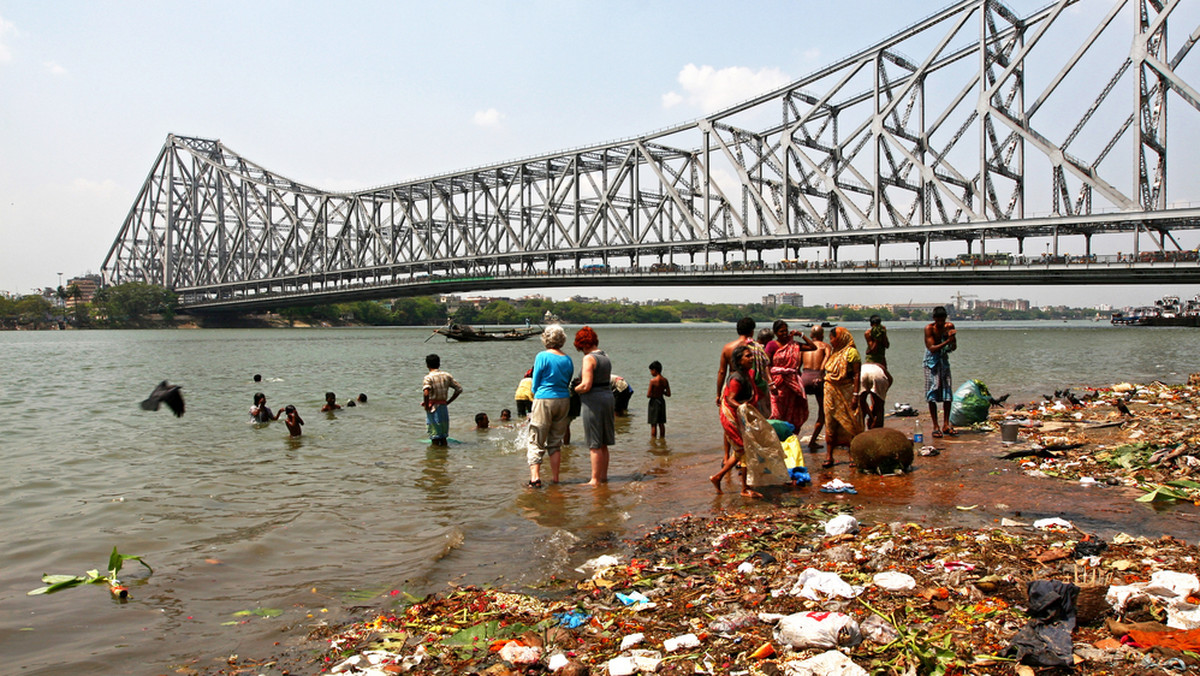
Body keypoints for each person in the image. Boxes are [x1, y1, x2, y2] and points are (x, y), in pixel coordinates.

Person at [716, 317, 772, 462]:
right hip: (750, 389)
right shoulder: (757, 348)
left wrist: (718, 394)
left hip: (731, 387)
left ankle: (727, 455)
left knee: (730, 423)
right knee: (750, 424)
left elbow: (722, 372)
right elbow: (764, 368)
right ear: (752, 331)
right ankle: (747, 456)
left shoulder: (728, 348)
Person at [710, 345, 761, 498]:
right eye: (747, 356)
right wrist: (744, 408)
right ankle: (744, 488)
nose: (751, 358)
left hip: (739, 415)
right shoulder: (736, 378)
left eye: (751, 356)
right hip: (731, 416)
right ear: (739, 360)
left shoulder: (747, 374)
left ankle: (718, 477)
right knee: (743, 450)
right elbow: (730, 399)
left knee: (741, 451)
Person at [526, 325, 573, 487]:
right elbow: (567, 380)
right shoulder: (567, 359)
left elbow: (536, 379)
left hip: (544, 398)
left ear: (546, 339)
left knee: (536, 439)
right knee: (555, 442)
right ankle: (555, 478)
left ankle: (535, 478)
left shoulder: (542, 356)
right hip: (563, 399)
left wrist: (534, 394)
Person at [573, 326, 615, 486]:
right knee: (604, 442)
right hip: (608, 397)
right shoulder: (605, 356)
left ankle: (594, 480)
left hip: (594, 400)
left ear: (582, 344)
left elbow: (586, 385)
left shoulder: (588, 358)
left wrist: (573, 390)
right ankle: (603, 477)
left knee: (594, 443)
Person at [822, 326, 864, 467]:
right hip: (830, 391)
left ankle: (852, 455)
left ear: (840, 338)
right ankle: (829, 456)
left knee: (851, 423)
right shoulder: (834, 353)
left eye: (832, 338)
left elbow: (857, 375)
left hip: (846, 389)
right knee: (830, 422)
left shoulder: (852, 353)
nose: (831, 341)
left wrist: (855, 395)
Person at [768, 320, 816, 434]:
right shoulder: (772, 345)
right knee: (776, 413)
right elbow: (766, 364)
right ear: (775, 333)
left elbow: (812, 347)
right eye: (781, 331)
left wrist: (801, 335)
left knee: (792, 411)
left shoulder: (794, 345)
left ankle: (789, 436)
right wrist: (770, 383)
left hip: (792, 383)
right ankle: (775, 437)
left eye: (786, 331)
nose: (784, 334)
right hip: (777, 383)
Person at [924, 306, 958, 437]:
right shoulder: (929, 328)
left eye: (943, 320)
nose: (941, 323)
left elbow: (953, 347)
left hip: (943, 361)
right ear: (934, 319)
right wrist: (947, 341)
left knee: (947, 392)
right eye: (938, 320)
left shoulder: (949, 326)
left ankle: (946, 424)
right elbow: (931, 348)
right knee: (932, 392)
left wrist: (952, 339)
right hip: (931, 362)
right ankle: (935, 426)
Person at [800, 325, 832, 451]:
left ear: (811, 335)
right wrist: (821, 373)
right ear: (822, 335)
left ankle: (793, 438)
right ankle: (812, 441)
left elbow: (797, 366)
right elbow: (827, 359)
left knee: (798, 411)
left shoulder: (804, 347)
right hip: (818, 378)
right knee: (822, 411)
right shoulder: (825, 346)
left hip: (805, 377)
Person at [422, 354, 463, 446]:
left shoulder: (428, 377)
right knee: (443, 437)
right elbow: (459, 389)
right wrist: (448, 401)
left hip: (433, 408)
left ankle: (436, 457)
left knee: (435, 436)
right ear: (439, 364)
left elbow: (426, 393)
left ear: (427, 365)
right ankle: (444, 457)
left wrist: (426, 405)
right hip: (443, 408)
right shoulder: (446, 376)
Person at [859, 362, 890, 429]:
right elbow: (890, 380)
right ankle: (877, 429)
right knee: (879, 409)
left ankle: (860, 430)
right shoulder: (880, 367)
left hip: (862, 374)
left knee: (860, 407)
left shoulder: (864, 365)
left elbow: (863, 402)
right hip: (878, 376)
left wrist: (870, 415)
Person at [864, 315, 893, 385]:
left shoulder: (882, 332)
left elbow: (887, 345)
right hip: (871, 359)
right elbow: (873, 350)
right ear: (871, 325)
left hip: (881, 359)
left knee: (888, 381)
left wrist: (883, 335)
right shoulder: (868, 333)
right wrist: (876, 339)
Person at [647, 360, 671, 438]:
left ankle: (653, 442)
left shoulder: (653, 381)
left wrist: (654, 394)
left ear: (654, 370)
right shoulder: (665, 380)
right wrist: (662, 392)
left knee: (653, 424)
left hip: (654, 402)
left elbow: (648, 395)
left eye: (651, 371)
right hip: (661, 401)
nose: (651, 373)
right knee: (661, 423)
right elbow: (668, 394)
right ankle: (662, 439)